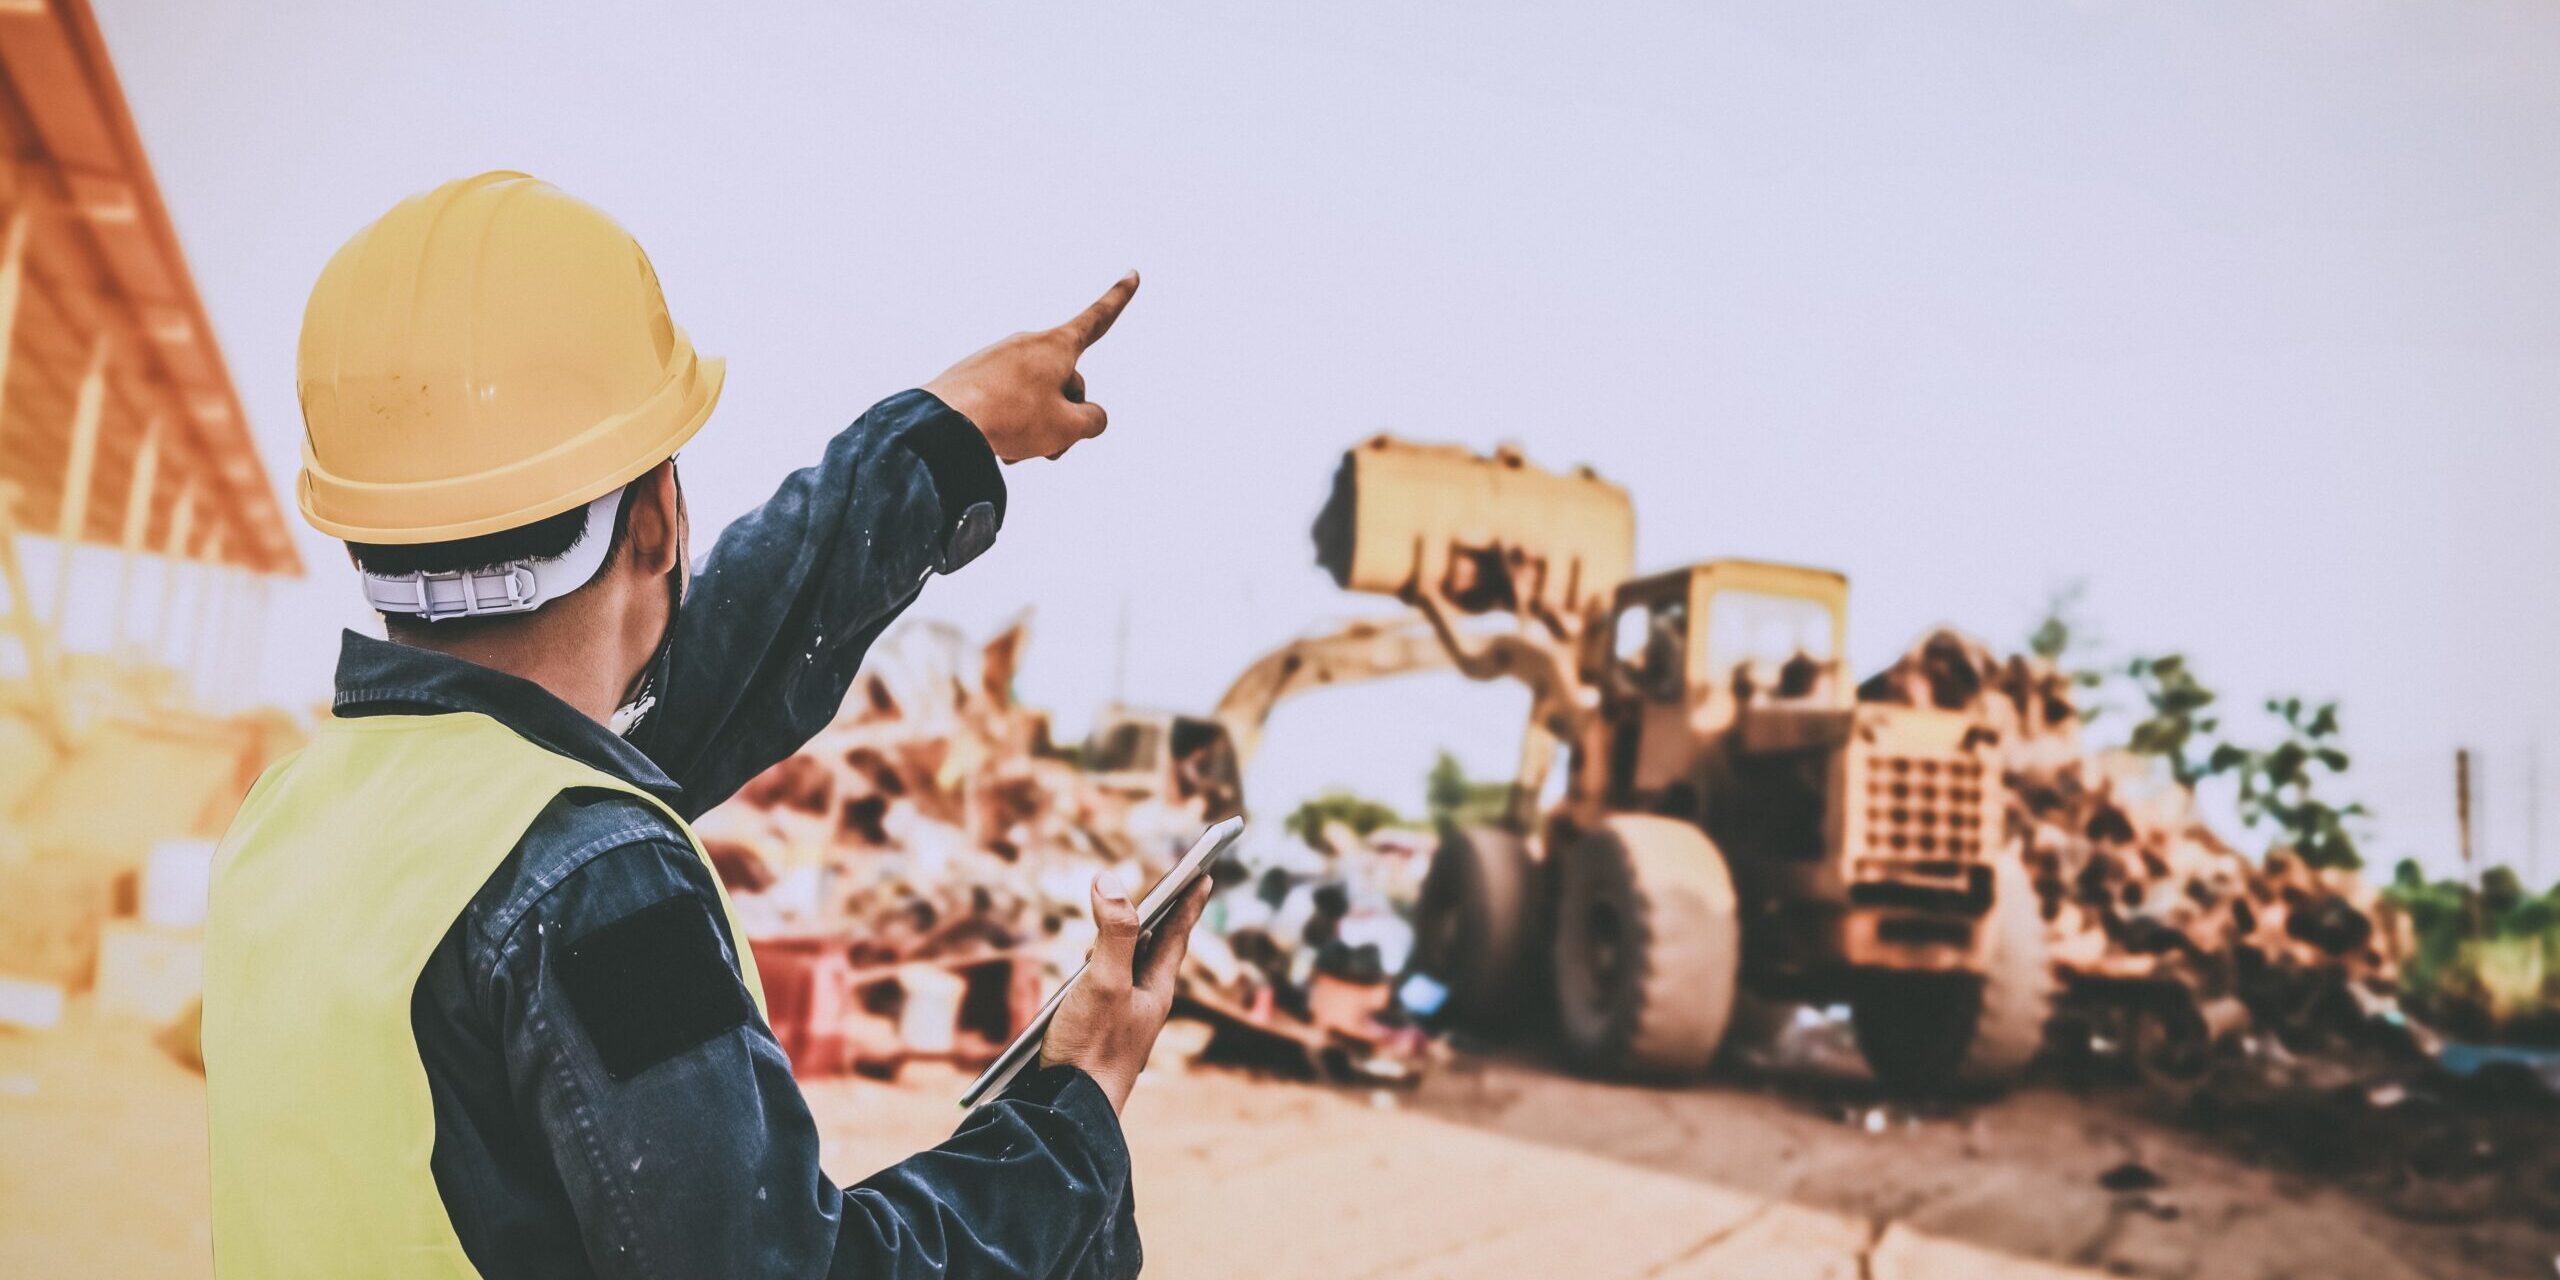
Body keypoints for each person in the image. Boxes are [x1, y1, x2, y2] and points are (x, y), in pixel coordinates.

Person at [201, 170, 1206, 1280]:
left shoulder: (297, 822)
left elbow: (690, 691)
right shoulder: (595, 885)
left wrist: (946, 435)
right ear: (657, 518)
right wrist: (1076, 1106)